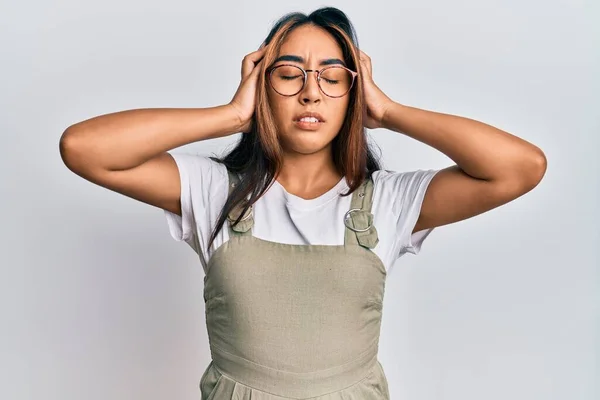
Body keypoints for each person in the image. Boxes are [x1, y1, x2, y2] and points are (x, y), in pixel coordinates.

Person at [59, 6, 547, 400]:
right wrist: (230, 116)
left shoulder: (389, 202)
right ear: (261, 86)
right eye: (290, 74)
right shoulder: (216, 192)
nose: (311, 92)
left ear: (354, 92)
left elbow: (521, 167)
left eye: (332, 77)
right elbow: (84, 149)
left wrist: (389, 111)